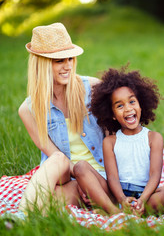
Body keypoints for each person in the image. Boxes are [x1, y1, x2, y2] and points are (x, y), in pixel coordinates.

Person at [18, 22, 110, 213]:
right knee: (43, 197)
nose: (68, 66)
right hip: (67, 176)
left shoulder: (94, 89)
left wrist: (91, 181)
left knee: (45, 201)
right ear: (41, 64)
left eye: (70, 58)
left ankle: (23, 214)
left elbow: (114, 141)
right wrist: (80, 179)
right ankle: (20, 218)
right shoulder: (28, 109)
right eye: (59, 61)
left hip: (101, 175)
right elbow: (51, 153)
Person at [75, 67, 164, 216]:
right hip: (116, 195)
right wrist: (122, 199)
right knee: (80, 167)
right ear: (113, 115)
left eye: (132, 101)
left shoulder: (154, 138)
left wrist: (142, 199)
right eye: (120, 105)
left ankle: (138, 210)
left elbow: (155, 175)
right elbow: (112, 177)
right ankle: (115, 211)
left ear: (140, 104)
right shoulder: (110, 142)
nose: (128, 109)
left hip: (145, 195)